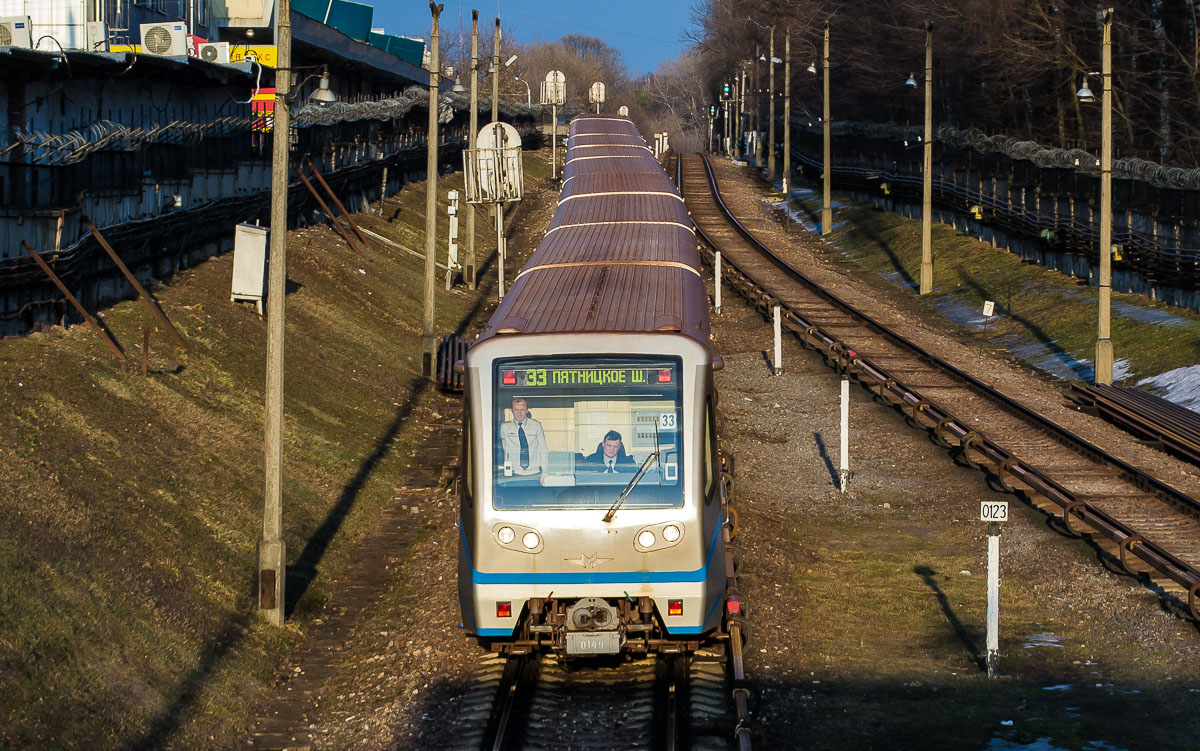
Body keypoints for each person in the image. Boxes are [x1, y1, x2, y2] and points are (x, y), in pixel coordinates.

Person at [499, 397, 548, 476]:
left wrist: (545, 471)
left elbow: (543, 449)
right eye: (516, 410)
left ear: (527, 410)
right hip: (513, 472)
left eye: (522, 410)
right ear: (512, 410)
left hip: (534, 472)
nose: (519, 413)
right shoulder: (505, 427)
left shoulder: (536, 425)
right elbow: (503, 448)